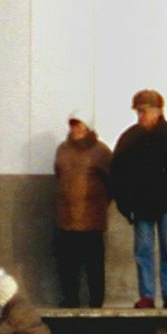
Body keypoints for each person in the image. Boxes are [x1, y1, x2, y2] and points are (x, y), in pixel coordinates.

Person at [108, 89, 167, 308]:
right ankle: (147, 295)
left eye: (144, 111)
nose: (140, 116)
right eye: (138, 112)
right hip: (141, 206)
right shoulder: (130, 139)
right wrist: (124, 204)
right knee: (143, 251)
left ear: (158, 111)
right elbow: (117, 172)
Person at [50, 116, 114, 309]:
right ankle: (70, 300)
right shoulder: (63, 149)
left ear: (88, 127)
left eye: (78, 124)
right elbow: (58, 175)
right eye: (72, 125)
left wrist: (100, 203)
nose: (74, 128)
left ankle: (96, 302)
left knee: (93, 265)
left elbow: (112, 181)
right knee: (67, 265)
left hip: (91, 219)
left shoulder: (101, 151)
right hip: (66, 218)